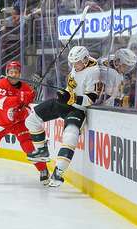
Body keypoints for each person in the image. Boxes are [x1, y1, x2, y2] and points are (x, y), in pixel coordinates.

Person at [25, 47, 101, 187]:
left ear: (85, 60)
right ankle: (42, 150)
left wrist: (71, 98)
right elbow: (71, 87)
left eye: (77, 63)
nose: (74, 66)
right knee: (31, 119)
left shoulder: (93, 72)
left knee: (71, 135)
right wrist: (65, 93)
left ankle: (59, 172)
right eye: (72, 63)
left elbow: (90, 99)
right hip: (66, 105)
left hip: (78, 110)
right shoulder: (76, 66)